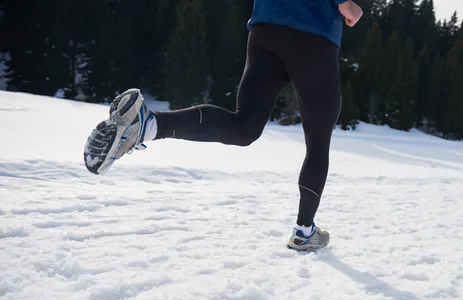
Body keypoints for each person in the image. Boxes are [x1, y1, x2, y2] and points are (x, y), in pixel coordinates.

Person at [83, 0, 363, 251]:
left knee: (244, 126)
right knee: (318, 139)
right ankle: (304, 232)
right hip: (312, 32)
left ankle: (149, 125)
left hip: (266, 29)